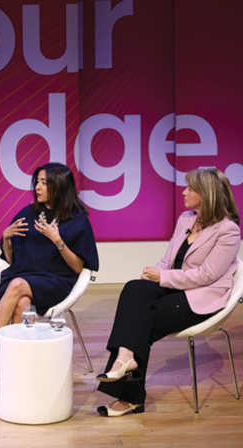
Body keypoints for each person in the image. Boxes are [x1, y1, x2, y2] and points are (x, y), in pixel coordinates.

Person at [95, 168, 240, 417]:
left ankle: (130, 393)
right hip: (176, 287)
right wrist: (154, 273)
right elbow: (169, 260)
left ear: (207, 195)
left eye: (191, 189)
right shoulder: (186, 219)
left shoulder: (228, 230)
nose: (184, 192)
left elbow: (207, 275)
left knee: (141, 323)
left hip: (202, 298)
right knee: (134, 288)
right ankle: (126, 360)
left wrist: (162, 277)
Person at [0, 162, 99, 378]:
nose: (38, 187)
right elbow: (10, 259)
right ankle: (16, 368)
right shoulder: (28, 212)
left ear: (60, 186)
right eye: (37, 182)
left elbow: (78, 266)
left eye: (45, 183)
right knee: (23, 304)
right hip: (21, 276)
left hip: (54, 282)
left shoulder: (77, 220)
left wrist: (58, 241)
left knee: (17, 287)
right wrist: (6, 239)